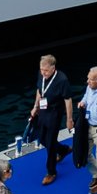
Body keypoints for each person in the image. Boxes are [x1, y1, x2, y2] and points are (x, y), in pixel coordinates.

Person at [27, 55, 77, 185]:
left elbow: (68, 100)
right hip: (43, 110)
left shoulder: (62, 80)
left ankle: (51, 172)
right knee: (42, 138)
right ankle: (63, 150)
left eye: (46, 70)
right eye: (41, 70)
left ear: (53, 68)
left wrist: (69, 119)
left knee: (49, 142)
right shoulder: (41, 74)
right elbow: (39, 90)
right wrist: (35, 107)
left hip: (54, 112)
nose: (43, 72)